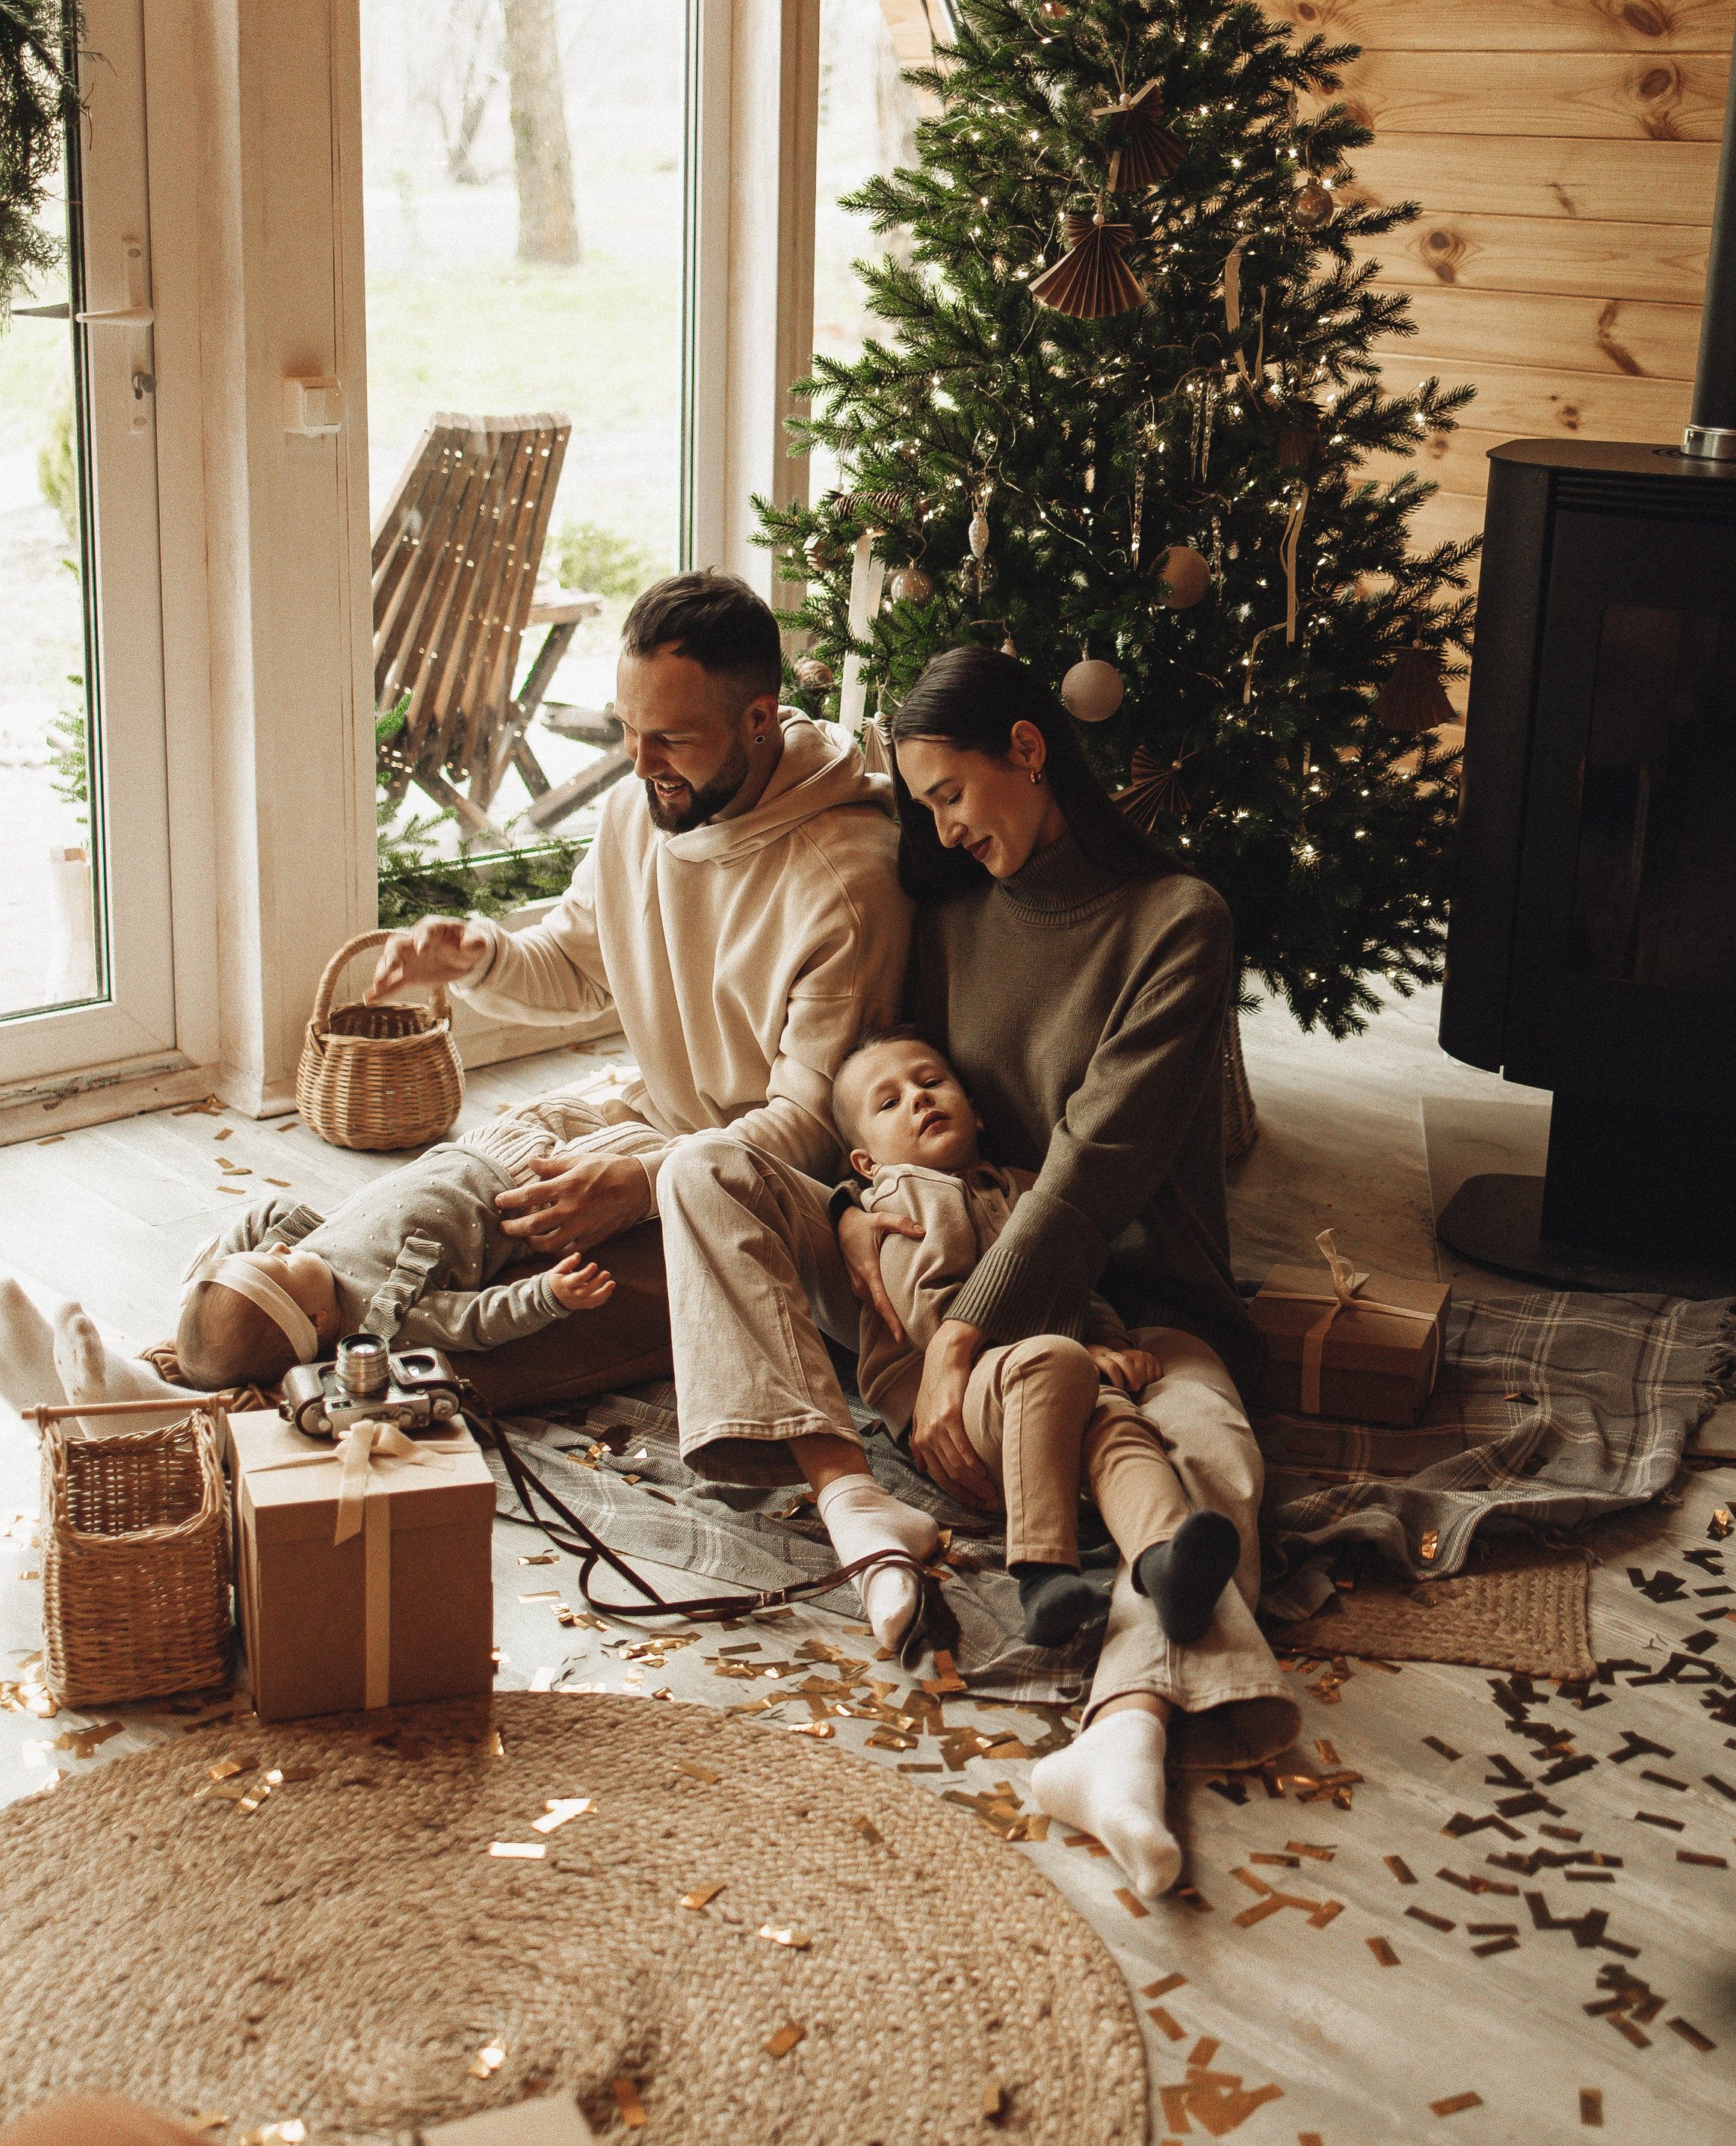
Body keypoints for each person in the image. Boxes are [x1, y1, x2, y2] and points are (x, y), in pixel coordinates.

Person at [663, 645, 1297, 1893]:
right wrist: (873, 1241)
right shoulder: (950, 914)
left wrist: (963, 1348)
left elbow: (1087, 1179)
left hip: (1123, 1294)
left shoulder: (1180, 921)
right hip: (930, 1272)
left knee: (1209, 1463)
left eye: (951, 794)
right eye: (924, 807)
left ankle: (1124, 1736)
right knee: (700, 1173)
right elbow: (887, 1105)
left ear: (1028, 748)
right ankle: (854, 1497)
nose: (942, 832)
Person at [364, 570, 936, 1645]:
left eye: (669, 738)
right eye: (629, 731)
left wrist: (635, 1181)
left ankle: (270, 1389)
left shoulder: (845, 877)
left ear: (759, 720)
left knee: (488, 1346)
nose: (639, 765)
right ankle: (257, 1315)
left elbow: (809, 1127)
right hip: (653, 1132)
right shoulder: (643, 809)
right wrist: (477, 952)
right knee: (444, 1202)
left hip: (756, 1192)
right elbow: (579, 966)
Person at [834, 1026, 1244, 1653]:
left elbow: (1072, 1280)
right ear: (867, 1162)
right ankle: (1043, 1575)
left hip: (1046, 1378)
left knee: (1115, 1421)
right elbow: (930, 1315)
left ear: (976, 1110)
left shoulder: (1025, 1189)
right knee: (1054, 1359)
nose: (917, 1099)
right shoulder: (901, 1198)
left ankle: (1165, 1561)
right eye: (889, 1103)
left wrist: (1106, 1338)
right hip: (953, 1401)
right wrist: (1070, 1344)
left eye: (930, 1081)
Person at [171, 1117, 617, 1389]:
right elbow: (473, 1321)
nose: (284, 1246)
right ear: (315, 1323)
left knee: (569, 1109)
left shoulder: (301, 1264)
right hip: (531, 1193)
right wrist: (547, 1295)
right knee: (630, 1149)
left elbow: (266, 1213)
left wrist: (209, 1287)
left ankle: (621, 1111)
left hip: (473, 1150)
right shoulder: (382, 1317)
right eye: (281, 1261)